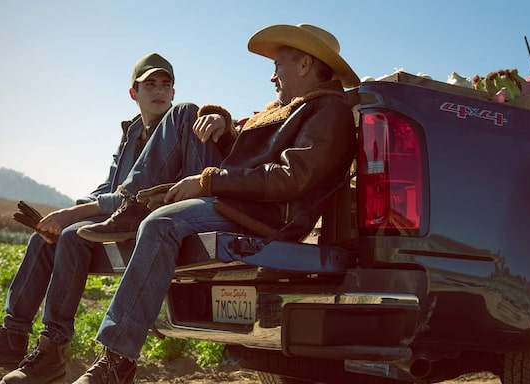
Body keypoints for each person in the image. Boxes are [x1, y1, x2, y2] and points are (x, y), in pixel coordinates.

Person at [69, 23, 360, 384]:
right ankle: (132, 204)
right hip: (235, 198)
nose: (272, 77)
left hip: (261, 215)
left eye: (278, 65)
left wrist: (207, 181)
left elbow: (289, 177)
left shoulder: (328, 111)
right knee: (184, 114)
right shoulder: (286, 109)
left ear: (304, 65)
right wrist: (223, 128)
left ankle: (117, 361)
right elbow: (247, 160)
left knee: (160, 224)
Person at [0, 52, 228, 384]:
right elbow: (109, 188)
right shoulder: (131, 134)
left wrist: (75, 214)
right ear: (133, 93)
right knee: (51, 236)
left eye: (166, 85)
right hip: (128, 214)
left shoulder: (183, 122)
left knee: (71, 232)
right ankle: (25, 341)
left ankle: (86, 356)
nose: (159, 91)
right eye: (150, 84)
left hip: (167, 210)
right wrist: (64, 214)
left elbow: (219, 144)